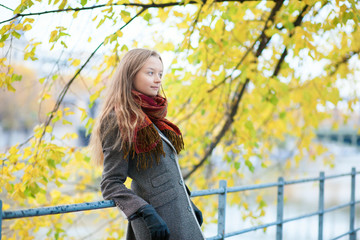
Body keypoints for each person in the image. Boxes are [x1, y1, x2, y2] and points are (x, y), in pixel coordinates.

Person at [89, 48, 205, 240]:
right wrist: (144, 211)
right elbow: (110, 183)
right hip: (158, 226)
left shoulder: (151, 119)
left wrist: (189, 204)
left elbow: (159, 175)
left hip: (181, 219)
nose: (158, 79)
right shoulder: (119, 119)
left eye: (160, 74)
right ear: (130, 75)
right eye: (150, 73)